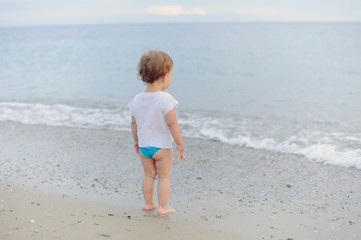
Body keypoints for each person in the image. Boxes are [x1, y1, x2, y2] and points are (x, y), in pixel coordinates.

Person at [128, 50, 187, 215]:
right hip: (161, 147)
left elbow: (134, 123)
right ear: (164, 76)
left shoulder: (136, 99)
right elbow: (172, 123)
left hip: (144, 146)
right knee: (164, 177)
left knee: (148, 175)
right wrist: (180, 144)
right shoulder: (165, 98)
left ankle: (148, 203)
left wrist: (136, 141)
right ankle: (163, 206)